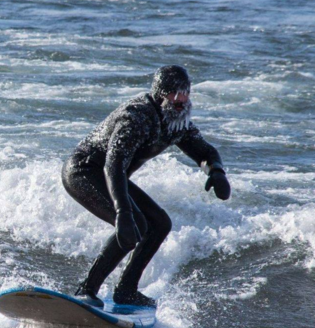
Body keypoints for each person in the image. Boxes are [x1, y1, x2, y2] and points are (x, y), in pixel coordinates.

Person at [61, 65, 230, 310]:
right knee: (135, 224)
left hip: (112, 175)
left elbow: (203, 150)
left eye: (186, 93)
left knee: (160, 223)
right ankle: (86, 290)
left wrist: (216, 170)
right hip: (85, 171)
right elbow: (113, 165)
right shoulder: (136, 117)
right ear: (162, 93)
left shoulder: (176, 121)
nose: (182, 99)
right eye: (176, 93)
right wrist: (123, 212)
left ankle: (126, 290)